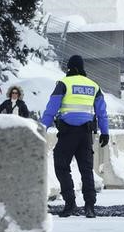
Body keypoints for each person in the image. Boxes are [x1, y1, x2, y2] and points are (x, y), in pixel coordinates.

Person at [40, 55, 109, 219]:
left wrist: (41, 129)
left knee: (61, 165)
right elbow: (102, 113)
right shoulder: (94, 86)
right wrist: (105, 132)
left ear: (70, 68)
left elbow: (51, 108)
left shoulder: (64, 84)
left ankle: (70, 203)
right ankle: (90, 206)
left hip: (68, 133)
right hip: (86, 134)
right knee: (86, 170)